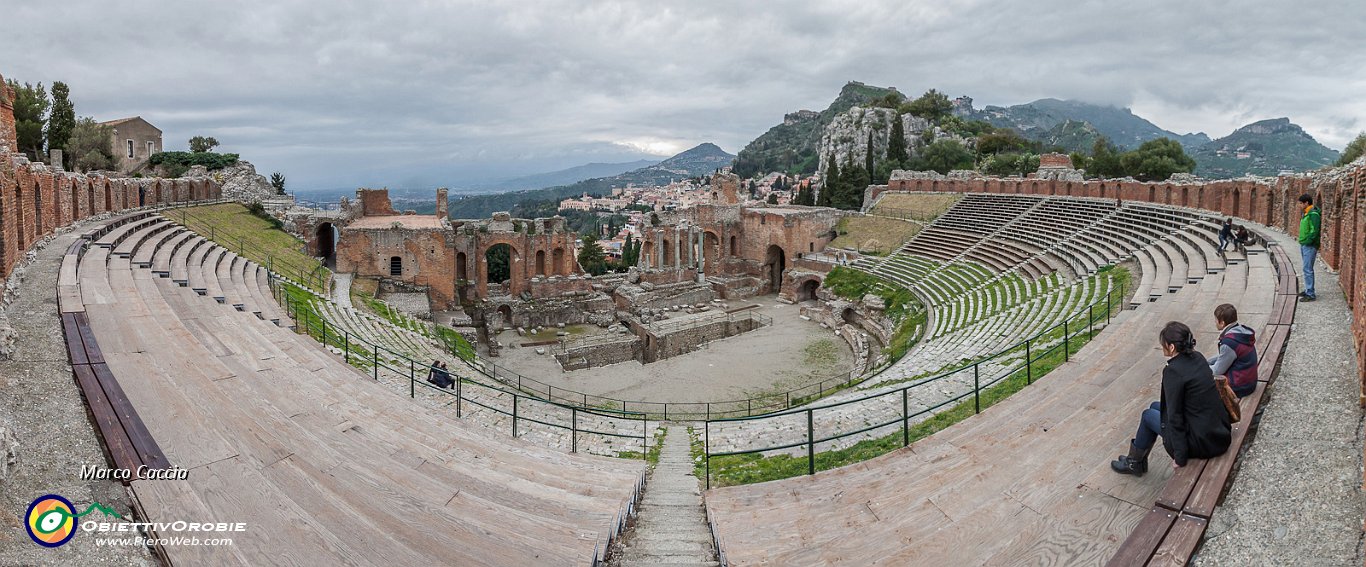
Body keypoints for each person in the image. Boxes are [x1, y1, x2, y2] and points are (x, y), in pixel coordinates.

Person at [1111, 322, 1232, 476]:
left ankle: (1134, 463)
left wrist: (1180, 457)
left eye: (1164, 344)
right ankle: (1135, 460)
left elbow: (1175, 416)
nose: (1162, 347)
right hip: (1218, 434)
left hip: (1202, 443)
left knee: (1147, 415)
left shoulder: (1173, 372)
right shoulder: (1198, 357)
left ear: (1172, 347)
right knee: (1155, 406)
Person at [1208, 304, 1258, 398]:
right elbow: (1224, 356)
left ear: (1222, 323)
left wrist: (1201, 367)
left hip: (1240, 387)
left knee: (1202, 382)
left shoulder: (1229, 343)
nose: (1215, 322)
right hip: (1249, 380)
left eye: (1215, 320)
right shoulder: (1240, 332)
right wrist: (1206, 362)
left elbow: (1217, 371)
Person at [1297, 194, 1321, 301]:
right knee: (1306, 268)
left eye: (1301, 203)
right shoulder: (1306, 213)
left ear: (1306, 203)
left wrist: (1308, 241)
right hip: (1304, 245)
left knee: (1308, 269)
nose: (1299, 205)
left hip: (1309, 246)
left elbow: (1315, 231)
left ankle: (1310, 294)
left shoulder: (1313, 214)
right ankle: (1308, 290)